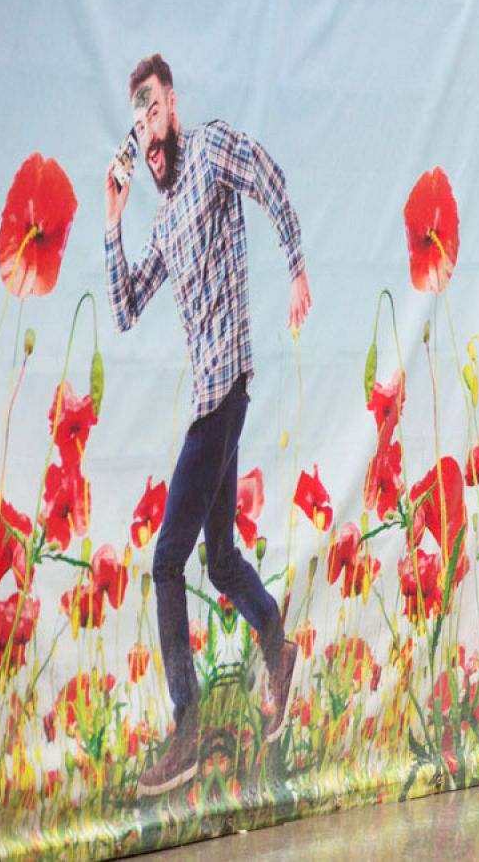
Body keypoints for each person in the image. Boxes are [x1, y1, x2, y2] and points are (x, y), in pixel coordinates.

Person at [104, 53, 310, 795]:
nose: (148, 133)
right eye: (138, 123)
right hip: (212, 401)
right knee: (218, 560)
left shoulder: (214, 148)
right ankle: (276, 648)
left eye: (153, 111)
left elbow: (268, 175)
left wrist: (296, 266)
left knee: (166, 562)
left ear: (174, 105)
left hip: (225, 392)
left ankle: (185, 729)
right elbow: (126, 308)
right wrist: (114, 219)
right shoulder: (160, 219)